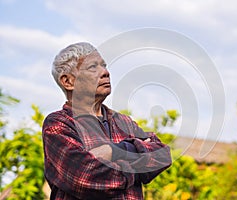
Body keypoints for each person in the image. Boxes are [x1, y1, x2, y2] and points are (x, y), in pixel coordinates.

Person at [42, 42, 172, 200]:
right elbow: (87, 177)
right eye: (92, 67)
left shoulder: (123, 122)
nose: (105, 72)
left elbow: (162, 155)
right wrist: (138, 166)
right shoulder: (59, 124)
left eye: (104, 65)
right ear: (68, 82)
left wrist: (115, 151)